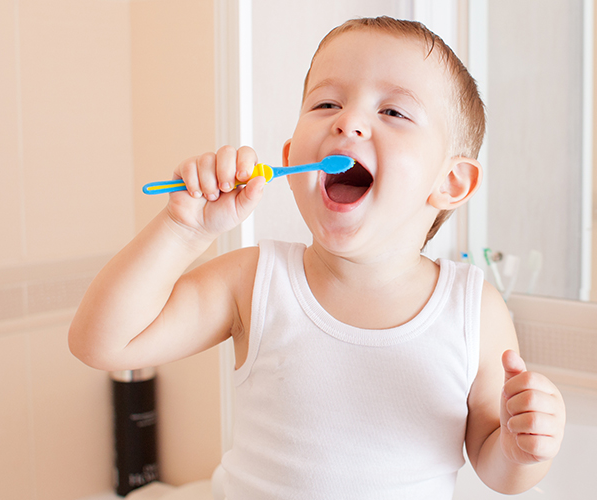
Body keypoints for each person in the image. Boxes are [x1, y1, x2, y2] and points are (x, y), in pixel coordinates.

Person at [69, 16, 565, 499]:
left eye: (392, 112)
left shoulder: (473, 311)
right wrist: (184, 229)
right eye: (327, 103)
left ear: (451, 182)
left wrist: (525, 448)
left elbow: (495, 468)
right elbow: (103, 344)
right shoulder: (254, 281)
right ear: (291, 154)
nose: (348, 121)